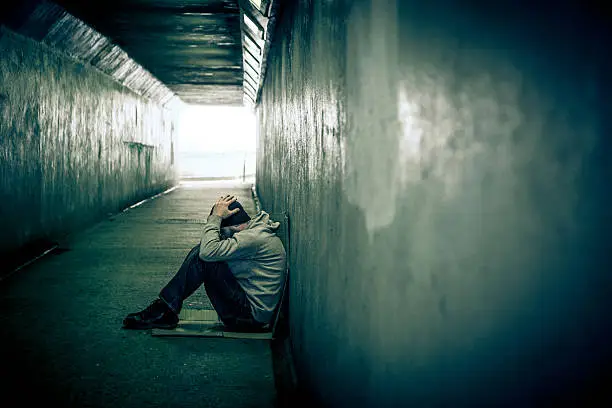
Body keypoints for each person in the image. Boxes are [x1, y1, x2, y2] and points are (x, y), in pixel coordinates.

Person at [123, 194, 286, 332]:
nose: (223, 236)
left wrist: (215, 218)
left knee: (204, 257)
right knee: (204, 253)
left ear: (234, 227)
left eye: (223, 233)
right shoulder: (254, 232)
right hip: (251, 311)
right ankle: (165, 308)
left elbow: (207, 252)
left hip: (249, 319)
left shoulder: (252, 239)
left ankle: (163, 310)